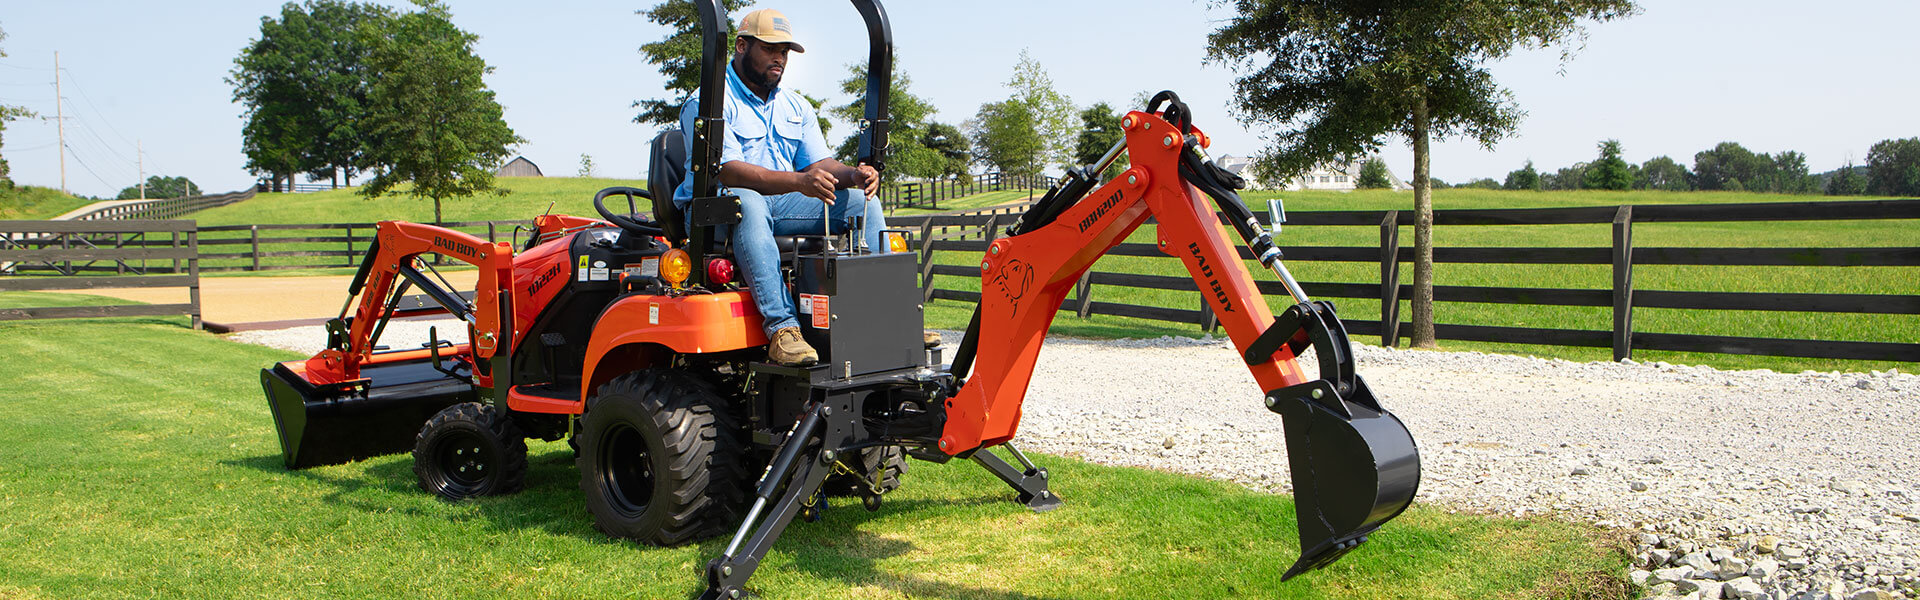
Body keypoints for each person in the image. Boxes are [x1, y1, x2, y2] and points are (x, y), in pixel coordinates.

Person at [674, 8, 938, 367]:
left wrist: (854, 174)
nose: (779, 58)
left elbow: (820, 165)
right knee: (747, 202)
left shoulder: (795, 106)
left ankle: (891, 320)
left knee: (863, 203)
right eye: (770, 49)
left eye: (784, 51)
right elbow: (728, 171)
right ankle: (783, 328)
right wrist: (800, 182)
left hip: (780, 204)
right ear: (740, 46)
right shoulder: (707, 102)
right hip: (715, 210)